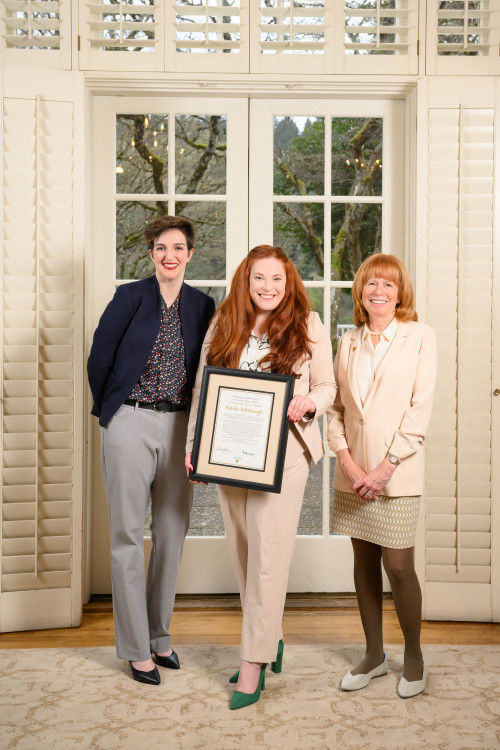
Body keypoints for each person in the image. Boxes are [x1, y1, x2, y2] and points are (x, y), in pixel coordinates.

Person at [185, 245, 336, 709]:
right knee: (245, 551)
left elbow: (328, 386)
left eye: (277, 279)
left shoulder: (307, 324)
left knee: (269, 554)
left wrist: (310, 402)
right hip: (230, 452)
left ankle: (253, 664)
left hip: (286, 452)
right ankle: (271, 638)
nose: (269, 287)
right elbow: (201, 387)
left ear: (288, 282)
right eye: (259, 279)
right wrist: (195, 444)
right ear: (245, 283)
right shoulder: (225, 323)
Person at [87, 215, 215, 685]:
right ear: (151, 253)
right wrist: (112, 412)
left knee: (171, 533)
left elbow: (208, 370)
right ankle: (135, 648)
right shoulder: (129, 297)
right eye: (161, 247)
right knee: (125, 535)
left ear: (189, 254)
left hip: (180, 425)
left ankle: (160, 637)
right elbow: (99, 358)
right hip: (130, 420)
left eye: (178, 248)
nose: (170, 256)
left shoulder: (203, 305)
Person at [327, 253, 437, 699]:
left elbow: (419, 409)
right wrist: (350, 465)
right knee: (364, 565)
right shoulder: (348, 341)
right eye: (371, 284)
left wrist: (384, 468)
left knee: (398, 566)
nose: (378, 291)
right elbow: (336, 410)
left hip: (398, 474)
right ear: (361, 292)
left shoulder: (420, 337)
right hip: (352, 477)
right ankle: (373, 654)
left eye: (388, 285)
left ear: (399, 293)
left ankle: (413, 654)